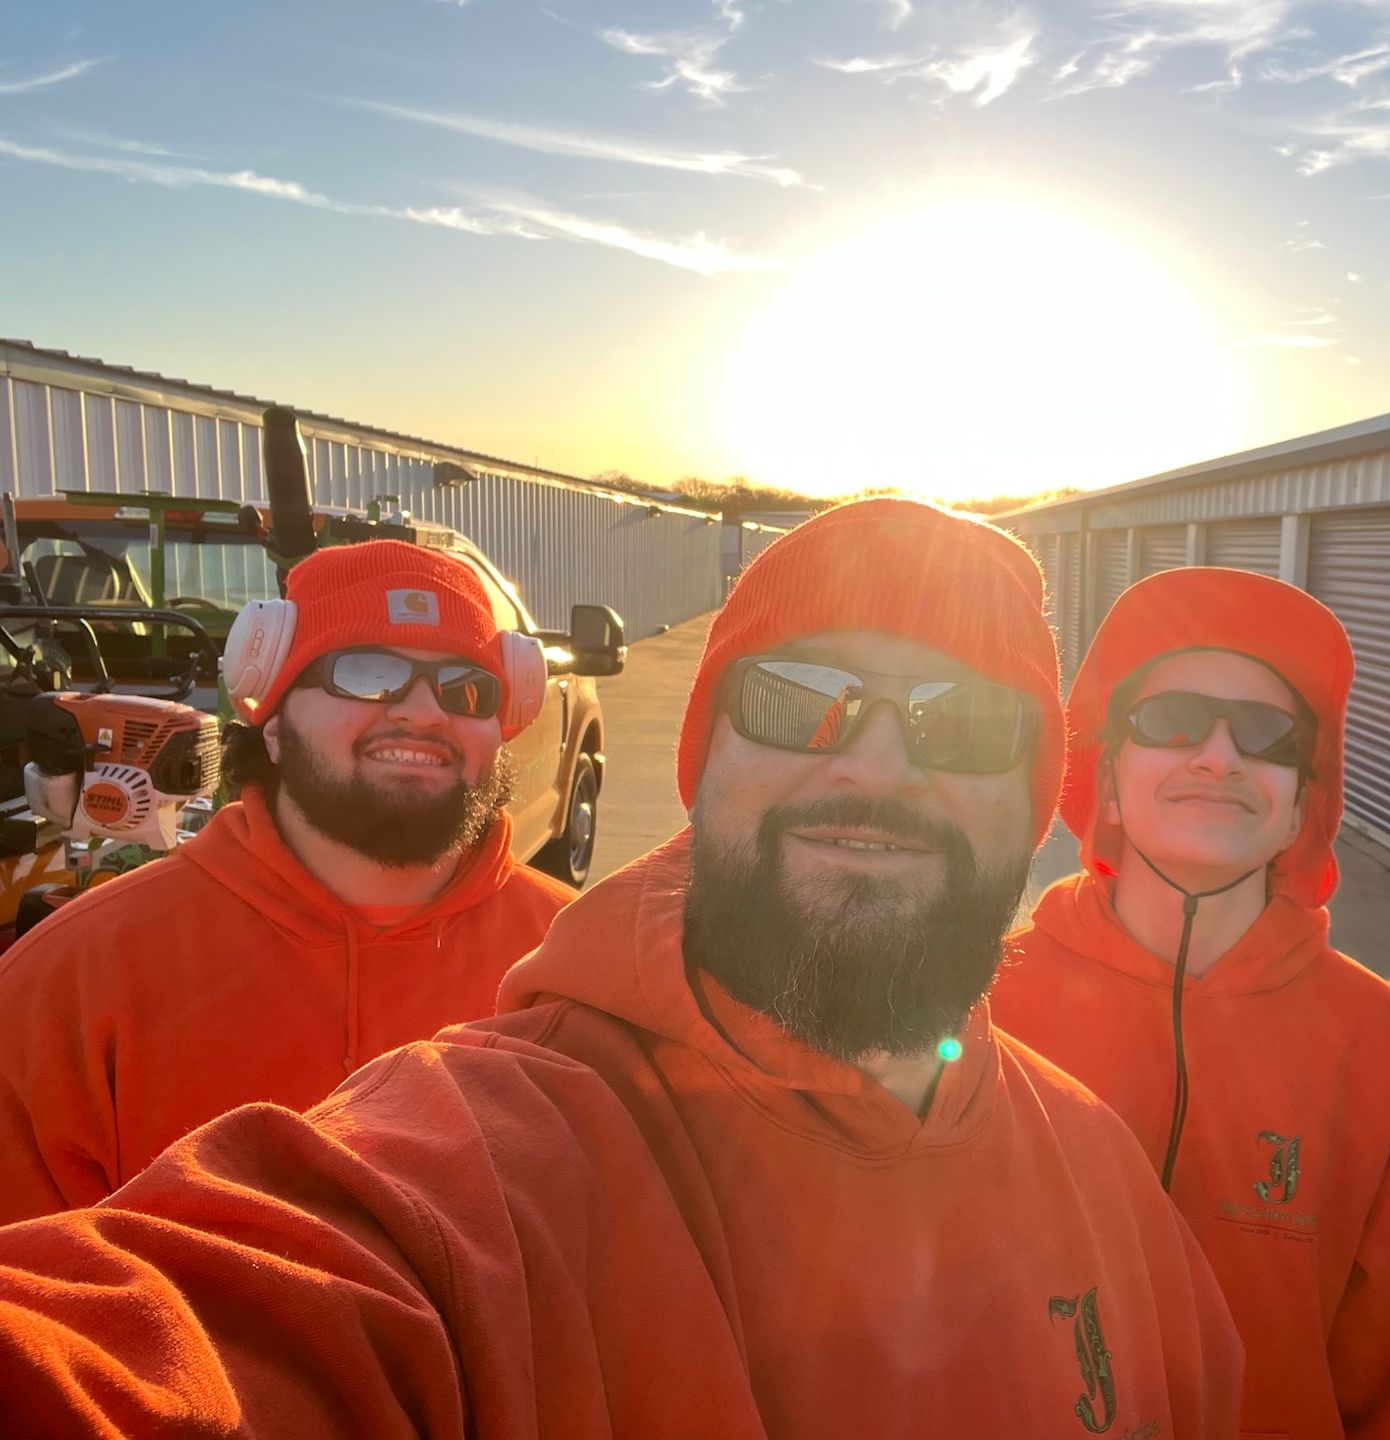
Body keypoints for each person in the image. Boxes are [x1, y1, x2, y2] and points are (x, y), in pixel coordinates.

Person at [0, 499, 1244, 1438]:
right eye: (799, 697)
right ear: (702, 773)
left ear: (1036, 801)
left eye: (961, 720)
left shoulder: (1097, 1168)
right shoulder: (490, 1148)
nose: (873, 764)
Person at [993, 566, 1390, 1440]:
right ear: (1107, 779)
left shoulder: (1383, 1048)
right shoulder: (982, 1005)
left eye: (1265, 735)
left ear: (1299, 812)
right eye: (1170, 723)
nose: (1218, 756)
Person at [0, 539, 574, 1222]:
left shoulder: (574, 969)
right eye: (366, 673)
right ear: (269, 721)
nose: (425, 712)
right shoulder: (76, 979)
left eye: (466, 688)